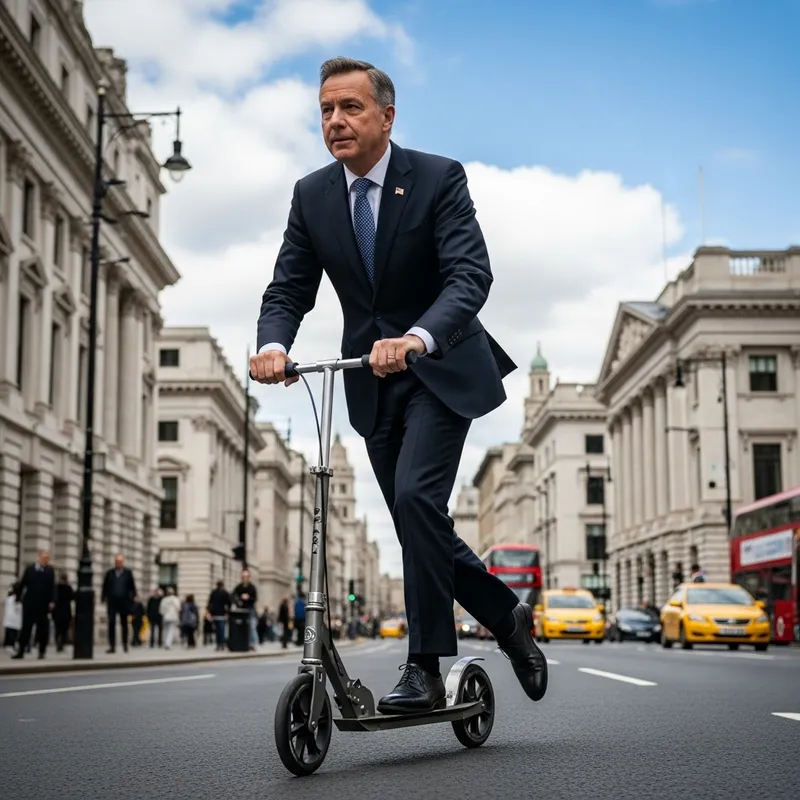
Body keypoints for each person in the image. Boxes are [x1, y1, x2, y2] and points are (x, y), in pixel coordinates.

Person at [250, 56, 547, 714]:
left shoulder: (438, 178)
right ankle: (508, 616)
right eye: (326, 110)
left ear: (386, 116)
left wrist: (417, 337)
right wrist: (273, 345)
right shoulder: (312, 195)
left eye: (350, 107)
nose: (335, 121)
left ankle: (425, 665)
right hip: (371, 380)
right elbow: (289, 286)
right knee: (420, 524)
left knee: (416, 497)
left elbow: (470, 276)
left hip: (440, 368)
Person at [12, 550, 56, 660]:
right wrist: (17, 598)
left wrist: (52, 601)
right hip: (30, 603)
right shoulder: (30, 569)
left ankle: (42, 651)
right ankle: (21, 651)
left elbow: (52, 587)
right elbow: (22, 584)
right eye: (44, 558)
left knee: (42, 629)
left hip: (43, 604)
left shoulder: (50, 571)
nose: (45, 560)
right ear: (39, 557)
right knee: (26, 628)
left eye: (47, 558)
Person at [101, 554, 137, 653]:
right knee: (111, 622)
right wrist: (103, 597)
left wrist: (132, 598)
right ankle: (112, 646)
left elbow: (132, 587)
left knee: (124, 623)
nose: (118, 564)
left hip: (124, 602)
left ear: (123, 563)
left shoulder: (128, 573)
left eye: (120, 562)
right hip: (112, 602)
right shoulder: (110, 573)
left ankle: (125, 644)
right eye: (117, 562)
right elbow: (105, 586)